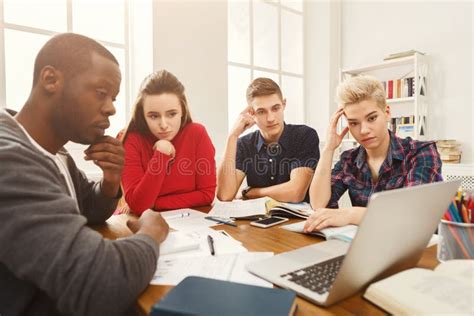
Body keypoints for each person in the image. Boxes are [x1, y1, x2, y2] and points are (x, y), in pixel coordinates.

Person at [0, 33, 169, 316]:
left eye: (113, 98)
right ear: (51, 80)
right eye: (101, 93)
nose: (112, 108)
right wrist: (151, 233)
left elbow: (89, 208)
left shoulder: (55, 151)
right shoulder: (10, 158)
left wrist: (111, 180)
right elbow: (101, 283)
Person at [304, 75, 442, 233]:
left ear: (387, 112)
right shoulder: (349, 159)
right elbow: (318, 204)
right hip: (366, 244)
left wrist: (351, 214)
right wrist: (329, 148)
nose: (363, 130)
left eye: (372, 118)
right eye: (353, 123)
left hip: (416, 248)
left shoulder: (421, 152)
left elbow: (411, 214)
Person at [121, 70, 216, 215]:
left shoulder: (197, 134)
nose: (164, 125)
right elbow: (139, 205)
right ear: (142, 115)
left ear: (182, 110)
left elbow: (206, 195)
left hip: (188, 224)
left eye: (172, 114)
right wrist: (161, 154)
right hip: (137, 225)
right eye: (153, 116)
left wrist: (153, 203)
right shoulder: (131, 139)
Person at [217, 78, 320, 203]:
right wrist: (232, 136)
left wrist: (248, 192)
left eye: (275, 108)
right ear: (251, 113)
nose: (270, 118)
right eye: (261, 112)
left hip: (300, 220)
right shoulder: (244, 144)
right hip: (258, 220)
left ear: (284, 104)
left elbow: (295, 193)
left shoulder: (304, 135)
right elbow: (225, 195)